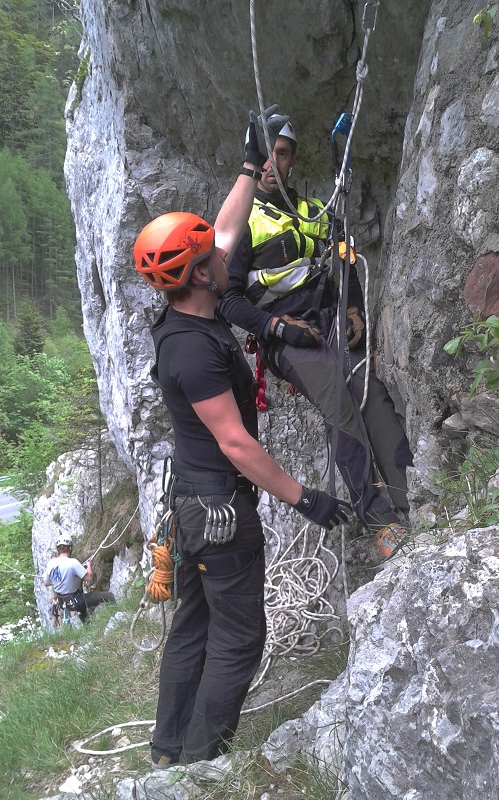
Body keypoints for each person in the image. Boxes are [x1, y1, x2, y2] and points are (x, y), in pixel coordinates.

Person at [132, 107, 351, 769]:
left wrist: (251, 166)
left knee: (193, 629)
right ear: (201, 276)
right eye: (211, 258)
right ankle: (201, 764)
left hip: (195, 509)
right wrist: (303, 497)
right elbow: (236, 444)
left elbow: (222, 229)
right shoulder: (195, 353)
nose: (224, 254)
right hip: (221, 512)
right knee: (239, 637)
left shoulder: (181, 316)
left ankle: (169, 751)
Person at [218, 112, 413, 558]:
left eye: (281, 154)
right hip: (285, 335)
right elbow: (227, 301)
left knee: (370, 389)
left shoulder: (316, 212)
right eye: (265, 154)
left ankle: (408, 494)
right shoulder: (243, 222)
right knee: (337, 398)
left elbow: (345, 259)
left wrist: (353, 308)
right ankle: (380, 520)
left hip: (327, 319)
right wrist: (276, 327)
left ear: (292, 161)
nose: (272, 164)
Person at [43, 533, 115, 623]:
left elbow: (46, 582)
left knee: (82, 609)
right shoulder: (73, 563)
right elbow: (89, 578)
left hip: (63, 603)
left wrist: (61, 580)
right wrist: (89, 566)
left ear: (58, 549)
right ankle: (114, 619)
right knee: (109, 596)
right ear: (70, 548)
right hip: (76, 601)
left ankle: (89, 629)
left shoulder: (51, 563)